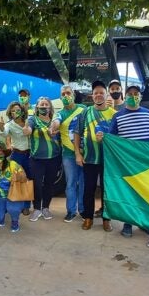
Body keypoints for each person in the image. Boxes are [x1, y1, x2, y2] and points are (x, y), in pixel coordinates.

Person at [109, 84, 149, 238]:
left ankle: (143, 223)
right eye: (129, 94)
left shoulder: (148, 113)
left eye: (136, 93)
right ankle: (128, 224)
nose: (133, 96)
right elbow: (112, 138)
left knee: (145, 193)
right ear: (125, 96)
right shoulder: (118, 116)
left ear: (140, 96)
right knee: (128, 193)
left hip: (145, 162)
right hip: (127, 163)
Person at [75, 80, 115, 231]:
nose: (98, 95)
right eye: (96, 93)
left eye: (101, 93)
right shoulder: (85, 112)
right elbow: (77, 133)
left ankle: (106, 219)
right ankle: (88, 218)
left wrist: (106, 138)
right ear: (92, 96)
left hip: (108, 160)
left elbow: (118, 137)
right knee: (88, 189)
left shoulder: (114, 114)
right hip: (89, 158)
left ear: (106, 95)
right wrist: (78, 153)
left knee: (107, 189)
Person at [50, 85, 86, 222]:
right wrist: (53, 127)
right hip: (69, 156)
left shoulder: (83, 109)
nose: (66, 96)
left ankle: (82, 210)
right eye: (63, 94)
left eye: (68, 93)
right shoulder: (60, 113)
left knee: (83, 183)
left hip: (85, 153)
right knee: (70, 183)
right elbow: (55, 122)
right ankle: (71, 211)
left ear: (73, 95)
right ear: (60, 98)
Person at [26, 97, 60, 221]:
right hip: (37, 159)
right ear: (37, 107)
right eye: (41, 104)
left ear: (50, 107)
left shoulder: (55, 121)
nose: (44, 106)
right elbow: (28, 129)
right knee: (37, 184)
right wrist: (26, 130)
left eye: (46, 104)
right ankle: (36, 209)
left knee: (49, 184)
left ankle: (45, 208)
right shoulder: (33, 119)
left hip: (54, 158)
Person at [0, 101, 32, 215]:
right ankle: (15, 204)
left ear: (22, 111)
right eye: (13, 111)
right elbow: (3, 133)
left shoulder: (29, 121)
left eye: (18, 110)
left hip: (29, 154)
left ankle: (27, 206)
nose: (15, 112)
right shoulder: (9, 124)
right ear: (10, 113)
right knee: (15, 179)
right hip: (17, 155)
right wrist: (1, 128)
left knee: (28, 180)